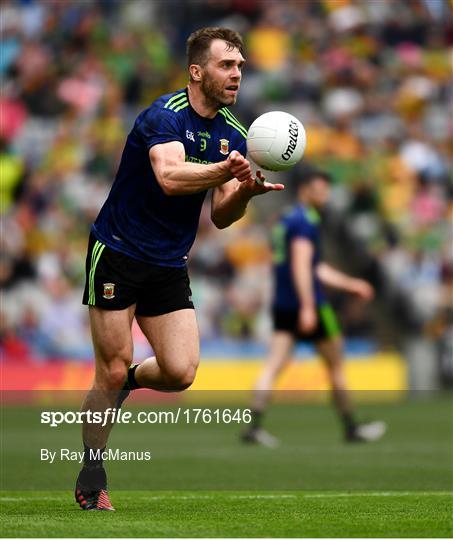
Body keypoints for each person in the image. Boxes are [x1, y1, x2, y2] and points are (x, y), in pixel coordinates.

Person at [75, 27, 284, 511]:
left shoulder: (234, 131)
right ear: (197, 71)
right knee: (107, 367)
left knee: (181, 371)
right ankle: (92, 474)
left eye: (240, 66)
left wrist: (245, 193)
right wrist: (226, 172)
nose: (237, 74)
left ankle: (127, 381)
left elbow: (221, 215)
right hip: (119, 252)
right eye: (226, 65)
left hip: (168, 261)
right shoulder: (162, 116)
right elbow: (169, 177)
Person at [242, 169, 386, 448]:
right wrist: (308, 307)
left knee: (273, 365)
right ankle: (351, 427)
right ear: (305, 190)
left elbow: (307, 265)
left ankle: (254, 426)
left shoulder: (285, 220)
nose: (325, 195)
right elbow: (302, 265)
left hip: (284, 303)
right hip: (311, 305)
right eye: (320, 190)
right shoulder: (306, 222)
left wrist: (349, 284)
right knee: (336, 366)